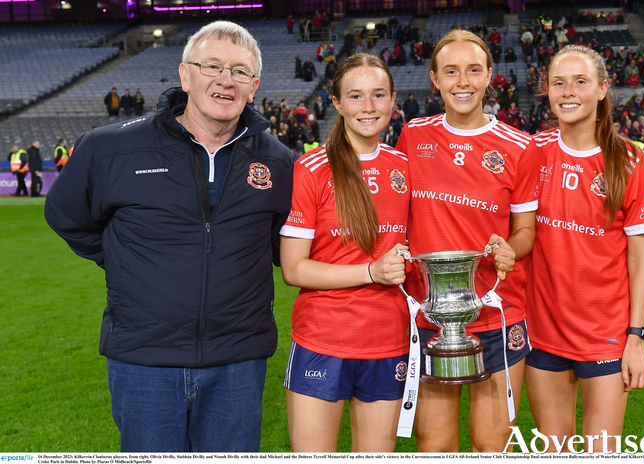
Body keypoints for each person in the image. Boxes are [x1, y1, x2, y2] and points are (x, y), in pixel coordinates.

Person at [44, 21, 294, 453]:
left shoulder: (280, 162)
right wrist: (124, 258)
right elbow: (67, 215)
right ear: (185, 75)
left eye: (239, 71)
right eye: (212, 65)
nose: (225, 80)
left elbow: (280, 243)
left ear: (253, 87)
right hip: (144, 360)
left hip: (238, 360)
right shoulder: (109, 148)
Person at [396, 30, 539, 452]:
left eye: (473, 70)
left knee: (492, 443)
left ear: (489, 76)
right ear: (434, 80)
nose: (463, 82)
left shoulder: (519, 147)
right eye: (452, 71)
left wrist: (513, 248)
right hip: (429, 313)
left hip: (498, 312)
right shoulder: (413, 136)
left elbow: (526, 229)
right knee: (434, 443)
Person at [526, 45, 644, 453]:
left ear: (602, 88)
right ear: (546, 90)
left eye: (580, 82)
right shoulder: (533, 152)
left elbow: (640, 257)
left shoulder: (631, 162)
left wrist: (635, 339)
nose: (568, 92)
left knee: (602, 452)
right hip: (542, 332)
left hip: (605, 335)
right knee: (554, 451)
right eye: (558, 83)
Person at [280, 53, 411, 452]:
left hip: (389, 341)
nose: (368, 107)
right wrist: (371, 272)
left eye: (377, 95)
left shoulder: (404, 167)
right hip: (324, 341)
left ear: (393, 100)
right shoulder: (312, 168)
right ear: (336, 103)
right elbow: (294, 268)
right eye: (355, 96)